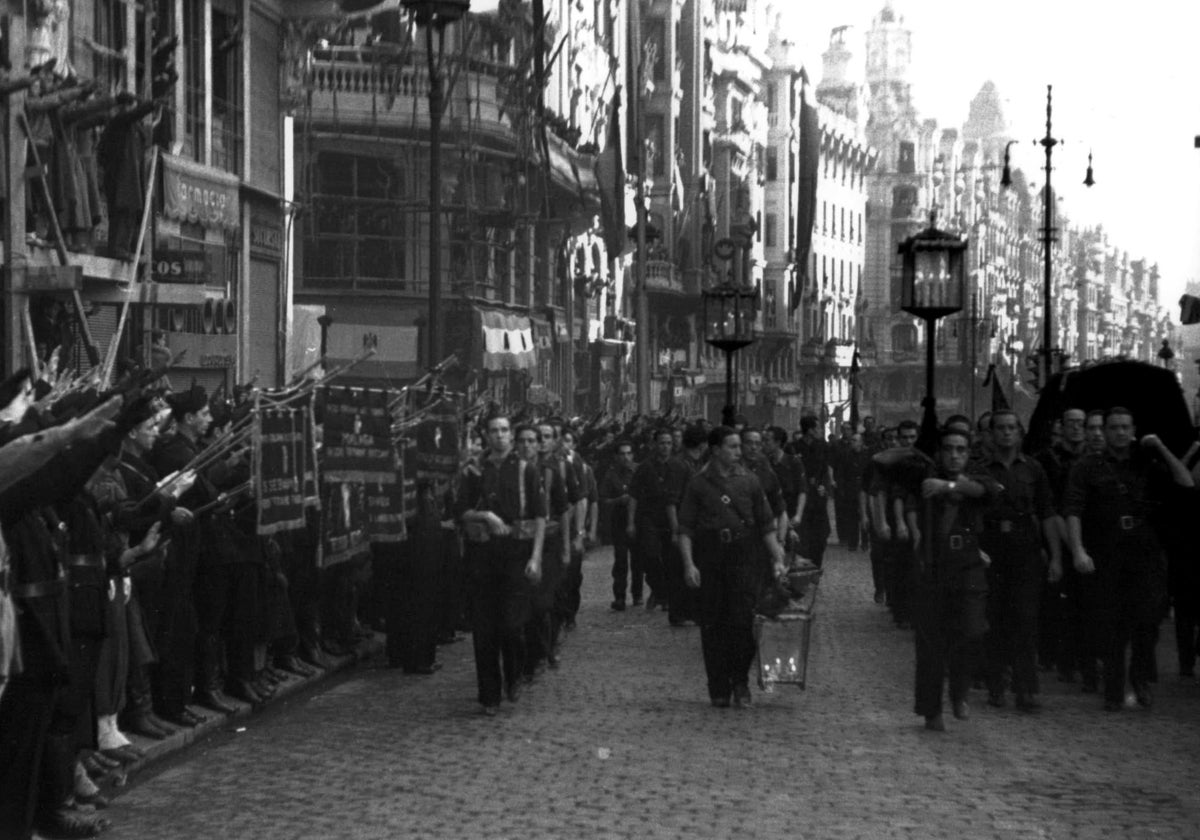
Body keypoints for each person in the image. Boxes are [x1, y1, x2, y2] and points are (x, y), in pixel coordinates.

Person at [1063, 407, 1194, 712]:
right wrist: (1079, 550)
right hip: (1107, 551)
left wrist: (1160, 447)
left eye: (1125, 427)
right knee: (1111, 624)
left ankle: (1140, 677)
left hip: (1144, 552)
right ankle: (1113, 689)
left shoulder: (1146, 463)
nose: (1119, 433)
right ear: (1104, 431)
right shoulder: (1087, 467)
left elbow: (1185, 483)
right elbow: (1073, 509)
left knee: (1147, 621)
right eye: (1113, 427)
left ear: (1133, 430)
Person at [894, 427, 998, 732]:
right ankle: (931, 710)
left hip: (967, 566)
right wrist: (915, 455)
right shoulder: (924, 474)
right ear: (940, 452)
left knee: (972, 630)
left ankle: (959, 691)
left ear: (969, 453)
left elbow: (985, 491)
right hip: (932, 567)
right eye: (949, 449)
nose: (955, 455)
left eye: (961, 449)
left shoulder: (977, 475)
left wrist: (948, 485)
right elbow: (885, 463)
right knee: (930, 645)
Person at [677, 426, 786, 708]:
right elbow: (686, 528)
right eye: (733, 447)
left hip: (743, 554)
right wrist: (689, 564)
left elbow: (766, 525)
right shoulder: (698, 483)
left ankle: (740, 679)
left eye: (739, 447)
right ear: (716, 450)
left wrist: (778, 559)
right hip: (710, 555)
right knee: (713, 624)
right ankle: (718, 687)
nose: (739, 452)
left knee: (744, 621)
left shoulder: (750, 481)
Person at [456, 414, 546, 716]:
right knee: (484, 630)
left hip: (515, 556)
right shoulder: (473, 471)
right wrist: (485, 516)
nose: (500, 436)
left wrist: (535, 557)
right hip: (482, 557)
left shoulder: (525, 470)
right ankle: (489, 696)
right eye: (494, 431)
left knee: (511, 626)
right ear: (487, 435)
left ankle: (514, 673)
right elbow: (462, 512)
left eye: (504, 431)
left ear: (511, 436)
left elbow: (540, 517)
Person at [977, 410, 1060, 712]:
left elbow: (1047, 513)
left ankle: (1026, 688)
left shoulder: (1034, 470)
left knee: (1026, 618)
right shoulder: (981, 470)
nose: (1006, 433)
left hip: (1025, 548)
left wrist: (1055, 557)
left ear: (1020, 433)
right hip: (992, 548)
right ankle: (996, 683)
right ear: (991, 434)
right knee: (995, 617)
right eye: (1000, 428)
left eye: (1012, 428)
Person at [1035, 407, 1093, 688]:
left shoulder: (1092, 459)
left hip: (1085, 536)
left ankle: (1086, 660)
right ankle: (1062, 660)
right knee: (1059, 602)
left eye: (1081, 423)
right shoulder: (1047, 460)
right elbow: (1044, 505)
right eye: (1071, 423)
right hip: (1055, 536)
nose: (1077, 428)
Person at [627, 427, 677, 610]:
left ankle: (664, 595)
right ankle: (660, 591)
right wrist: (631, 522)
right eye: (662, 443)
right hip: (649, 517)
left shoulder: (677, 466)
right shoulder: (645, 468)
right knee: (650, 556)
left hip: (671, 518)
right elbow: (634, 495)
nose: (665, 447)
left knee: (670, 558)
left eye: (669, 443)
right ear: (655, 444)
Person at [599, 439, 638, 610]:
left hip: (639, 521)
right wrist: (618, 500)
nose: (626, 457)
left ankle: (638, 595)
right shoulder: (611, 475)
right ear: (616, 456)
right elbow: (603, 500)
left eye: (629, 453)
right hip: (619, 521)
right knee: (621, 560)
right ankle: (620, 596)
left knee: (639, 560)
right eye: (622, 454)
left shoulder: (638, 471)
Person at [794, 415, 833, 567]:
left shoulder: (822, 446)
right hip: (801, 498)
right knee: (803, 535)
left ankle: (816, 566)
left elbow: (825, 469)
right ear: (809, 430)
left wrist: (824, 485)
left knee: (821, 534)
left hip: (818, 497)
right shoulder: (795, 448)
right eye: (817, 427)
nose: (819, 430)